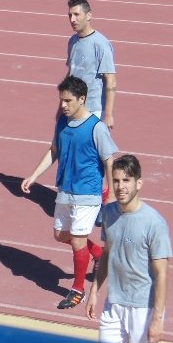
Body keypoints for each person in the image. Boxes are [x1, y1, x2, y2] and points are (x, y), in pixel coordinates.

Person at [22, 76, 117, 310]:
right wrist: (33, 176)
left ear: (82, 99)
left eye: (68, 101)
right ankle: (98, 253)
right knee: (60, 235)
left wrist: (112, 195)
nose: (63, 105)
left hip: (88, 193)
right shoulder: (62, 123)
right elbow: (53, 151)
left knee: (77, 240)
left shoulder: (96, 128)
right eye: (61, 100)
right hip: (65, 190)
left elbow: (109, 160)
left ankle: (77, 290)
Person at [86, 154, 172, 343]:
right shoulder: (108, 213)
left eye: (126, 180)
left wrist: (157, 318)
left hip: (143, 308)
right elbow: (107, 253)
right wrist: (94, 291)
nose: (120, 186)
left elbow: (162, 273)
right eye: (116, 181)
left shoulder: (154, 223)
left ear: (138, 183)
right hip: (113, 304)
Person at [64, 0, 117, 129]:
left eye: (76, 14)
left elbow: (111, 80)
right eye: (70, 15)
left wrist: (108, 115)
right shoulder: (73, 41)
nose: (72, 19)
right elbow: (71, 73)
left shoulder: (100, 44)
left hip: (92, 110)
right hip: (74, 107)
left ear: (88, 15)